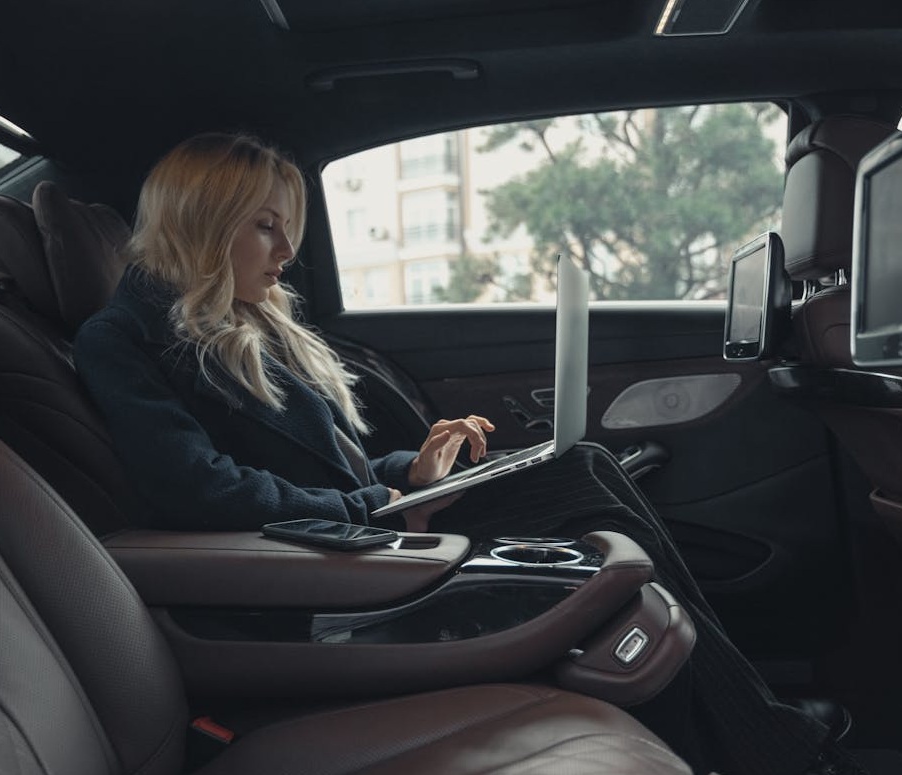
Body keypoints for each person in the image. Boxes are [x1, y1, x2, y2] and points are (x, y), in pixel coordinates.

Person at [75, 132, 859, 775]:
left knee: (587, 481)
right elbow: (196, 490)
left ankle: (749, 732)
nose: (286, 251)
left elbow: (330, 463)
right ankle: (765, 737)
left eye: (289, 227)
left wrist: (411, 474)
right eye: (265, 225)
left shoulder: (257, 323)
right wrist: (369, 506)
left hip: (370, 526)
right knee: (583, 475)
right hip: (319, 566)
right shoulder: (124, 339)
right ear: (201, 221)